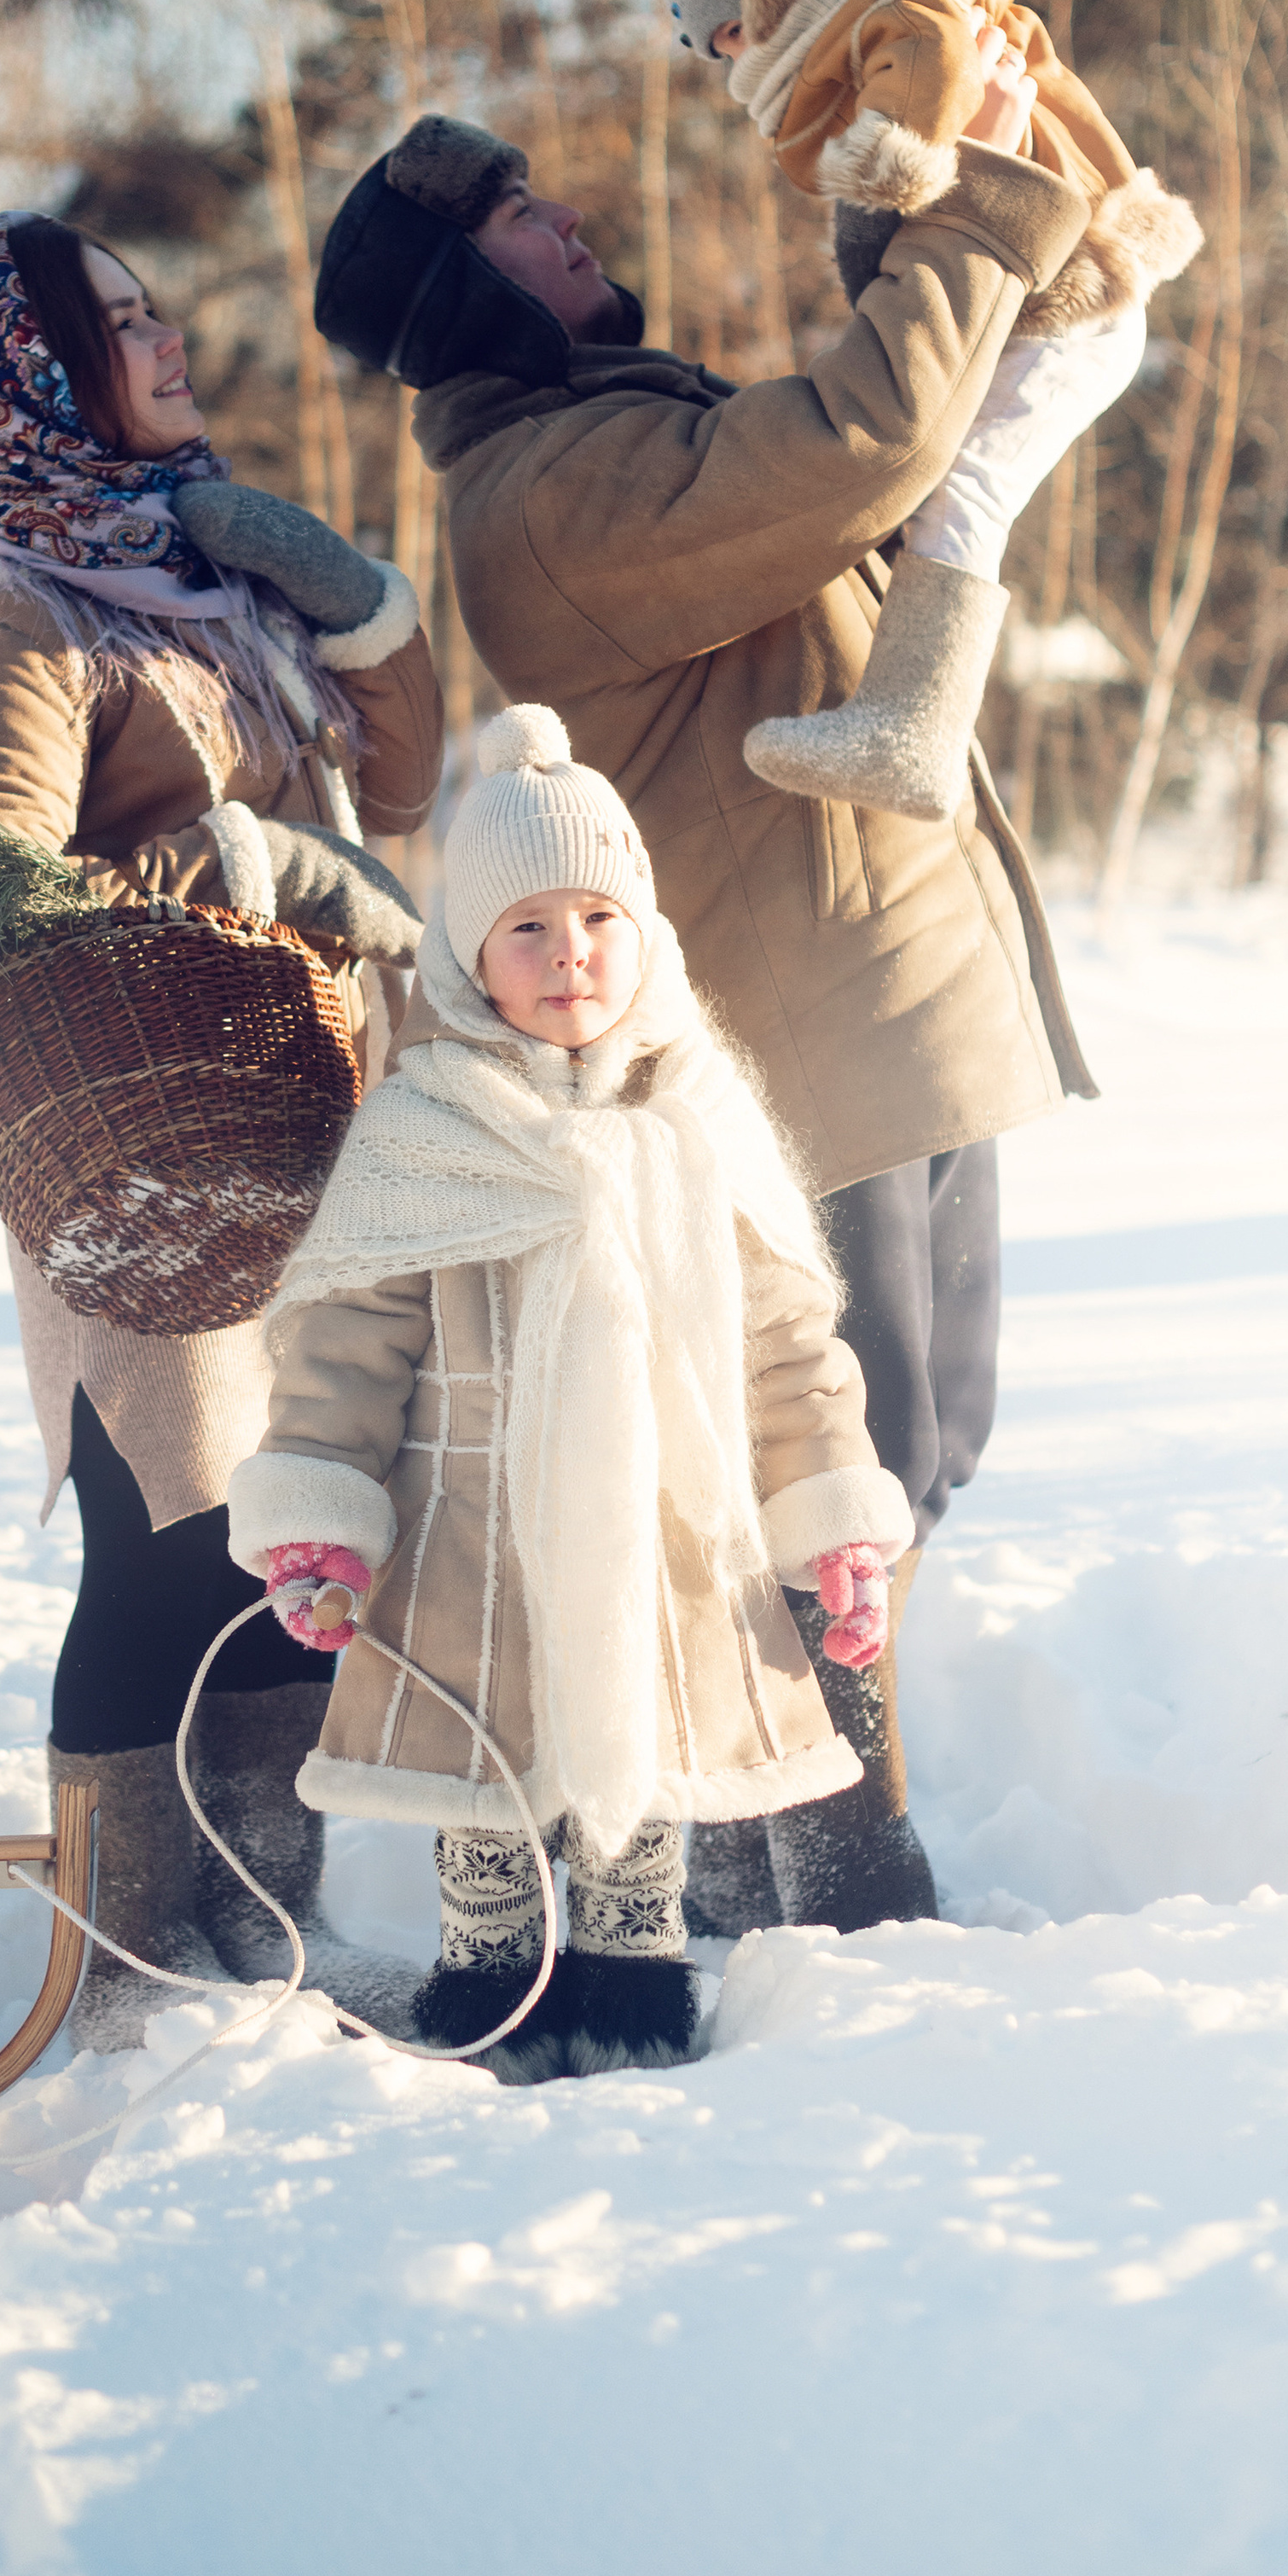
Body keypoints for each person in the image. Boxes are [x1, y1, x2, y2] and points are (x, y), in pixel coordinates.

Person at [312, 75, 1097, 1946]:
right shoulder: (548, 496)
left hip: (894, 990)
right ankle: (819, 1867)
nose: (559, 219)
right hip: (813, 1027)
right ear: (457, 297)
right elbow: (850, 448)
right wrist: (973, 218)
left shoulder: (607, 428)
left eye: (539, 196)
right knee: (840, 1463)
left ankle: (777, 1838)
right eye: (511, 218)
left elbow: (861, 494)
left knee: (923, 1444)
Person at [0, 209, 443, 2045]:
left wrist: (354, 606)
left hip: (311, 1118)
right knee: (165, 1541)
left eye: (151, 301)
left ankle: (254, 1910)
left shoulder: (196, 575)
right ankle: (115, 1947)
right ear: (33, 383)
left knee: (291, 1522)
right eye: (111, 323)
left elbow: (408, 785)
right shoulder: (14, 618)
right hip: (140, 1132)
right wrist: (236, 860)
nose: (161, 332)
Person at [224, 708, 914, 2079]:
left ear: (643, 931)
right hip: (472, 1523)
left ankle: (630, 1970)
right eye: (527, 928)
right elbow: (348, 1346)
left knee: (639, 1743)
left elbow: (785, 1341)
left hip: (662, 1518)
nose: (570, 953)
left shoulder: (700, 1117)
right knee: (488, 1758)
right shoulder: (426, 1129)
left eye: (598, 915)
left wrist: (829, 1512)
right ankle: (489, 1972)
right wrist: (318, 1512)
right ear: (473, 958)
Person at [626, 0, 1198, 819]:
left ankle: (912, 730)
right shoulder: (883, 1)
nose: (716, 57)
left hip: (1070, 312)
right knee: (934, 476)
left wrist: (891, 175)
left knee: (963, 490)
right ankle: (892, 695)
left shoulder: (909, 1)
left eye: (718, 26)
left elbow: (930, 80)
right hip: (1048, 300)